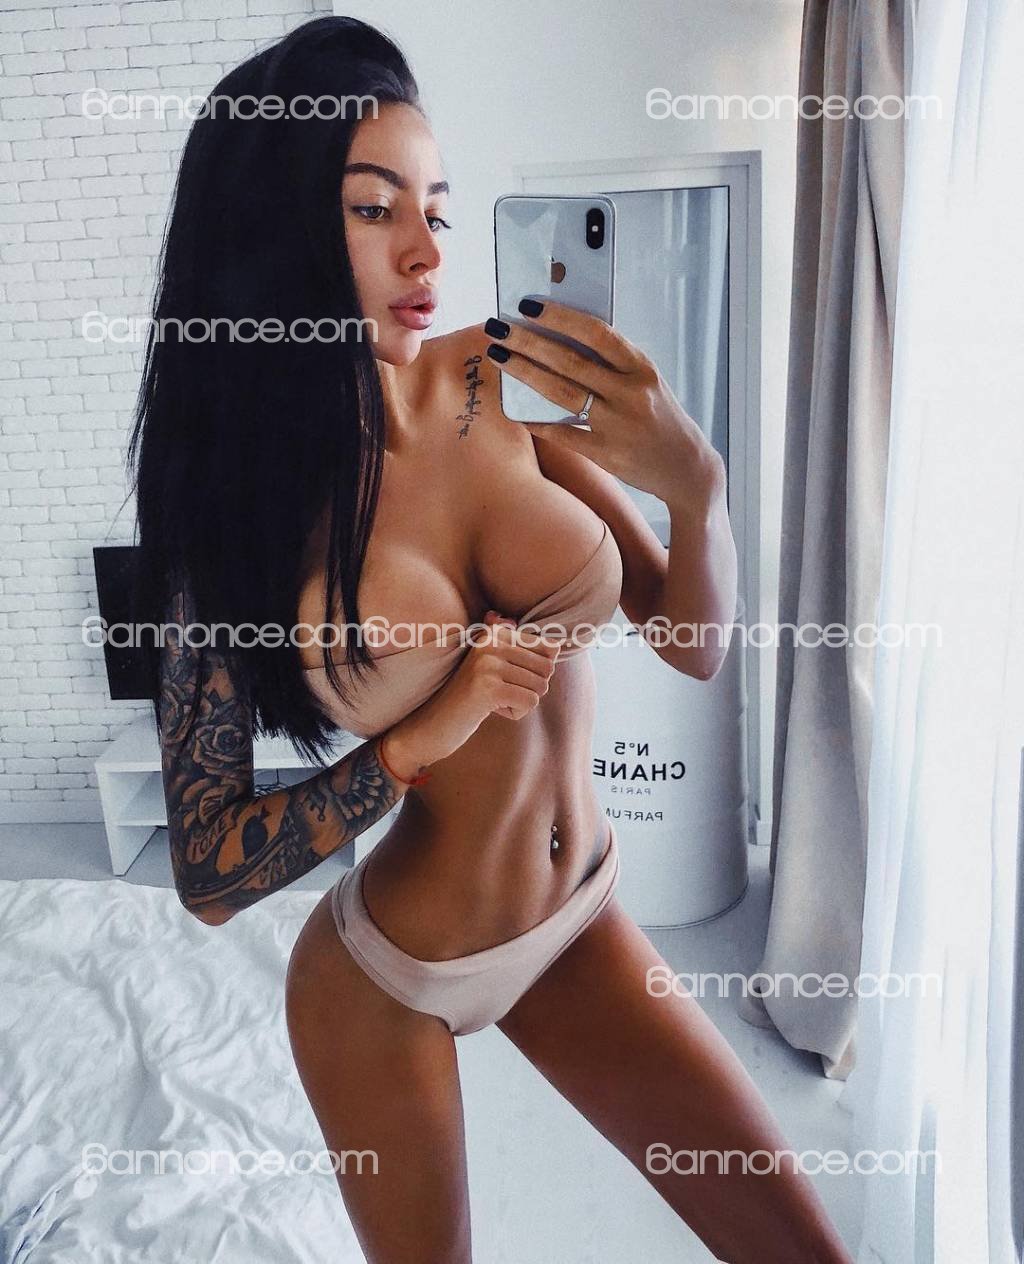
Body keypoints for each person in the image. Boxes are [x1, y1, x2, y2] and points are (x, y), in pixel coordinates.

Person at [133, 16, 854, 1264]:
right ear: (273, 236)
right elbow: (207, 873)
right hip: (385, 980)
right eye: (374, 211)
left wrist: (698, 489)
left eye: (437, 208)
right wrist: (426, 731)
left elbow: (690, 643)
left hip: (578, 922)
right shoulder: (233, 525)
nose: (425, 250)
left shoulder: (504, 375)